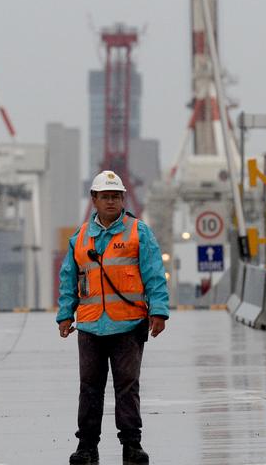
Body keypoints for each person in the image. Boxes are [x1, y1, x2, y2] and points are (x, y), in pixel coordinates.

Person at [57, 170, 170, 465]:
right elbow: (69, 278)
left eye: (116, 197)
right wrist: (64, 315)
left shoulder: (138, 232)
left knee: (127, 387)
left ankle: (132, 445)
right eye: (105, 196)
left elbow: (154, 274)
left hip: (129, 324)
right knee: (89, 388)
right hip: (91, 325)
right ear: (94, 199)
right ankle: (86, 447)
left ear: (123, 199)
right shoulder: (80, 238)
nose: (111, 202)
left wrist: (158, 311)